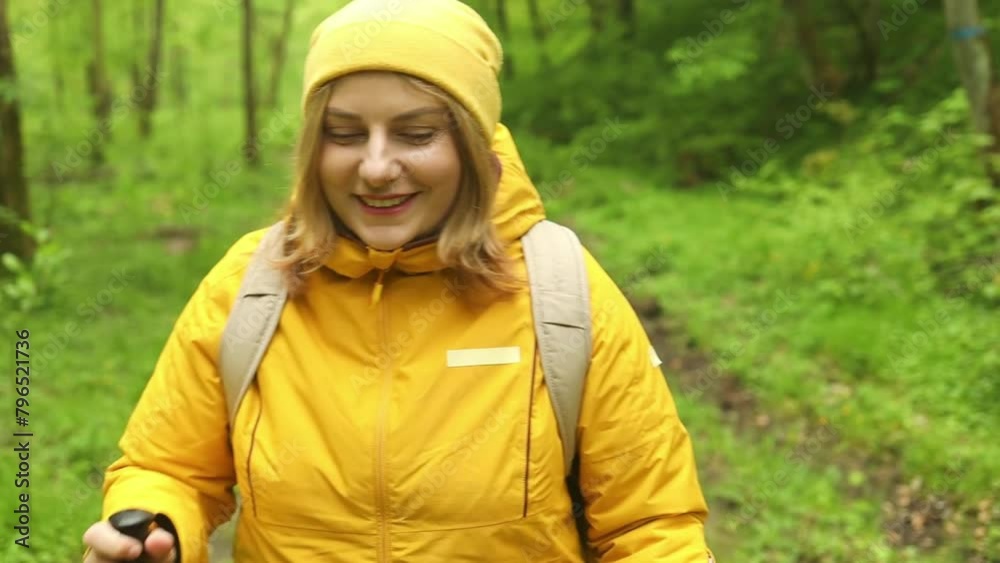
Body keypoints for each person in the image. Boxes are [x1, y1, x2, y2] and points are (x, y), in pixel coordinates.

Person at [81, 0, 714, 561]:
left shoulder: (561, 291)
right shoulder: (252, 284)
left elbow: (651, 524)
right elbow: (169, 468)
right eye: (344, 134)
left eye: (416, 134)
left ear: (473, 146)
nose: (377, 167)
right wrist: (154, 527)